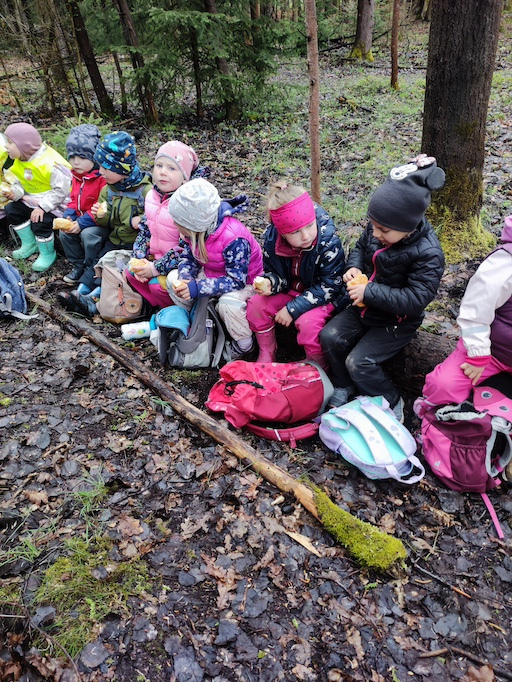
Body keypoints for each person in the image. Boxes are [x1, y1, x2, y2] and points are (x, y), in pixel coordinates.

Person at [320, 155, 446, 422]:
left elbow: (416, 299)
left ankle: (391, 400)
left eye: (383, 230)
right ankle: (343, 384)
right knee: (330, 336)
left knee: (359, 362)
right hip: (364, 307)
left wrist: (369, 292)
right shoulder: (380, 227)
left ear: (407, 226)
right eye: (373, 225)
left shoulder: (428, 253)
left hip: (397, 320)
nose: (375, 233)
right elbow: (360, 247)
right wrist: (353, 267)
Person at [415, 214, 512, 416]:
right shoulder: (505, 264)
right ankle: (431, 412)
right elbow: (475, 310)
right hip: (493, 351)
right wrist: (478, 353)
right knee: (444, 385)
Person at [246, 180, 346, 370]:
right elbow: (276, 273)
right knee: (257, 305)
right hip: (293, 292)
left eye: (309, 225)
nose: (306, 236)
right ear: (282, 233)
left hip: (324, 297)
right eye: (296, 232)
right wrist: (271, 282)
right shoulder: (272, 241)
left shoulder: (327, 241)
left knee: (307, 324)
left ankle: (317, 366)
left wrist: (293, 309)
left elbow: (330, 286)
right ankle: (268, 350)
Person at [166, 178, 263, 359]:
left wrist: (197, 288)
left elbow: (237, 281)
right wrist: (186, 277)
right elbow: (188, 257)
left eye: (177, 222)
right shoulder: (193, 233)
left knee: (229, 305)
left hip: (246, 283)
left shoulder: (234, 239)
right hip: (213, 273)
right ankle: (198, 320)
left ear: (192, 224)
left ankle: (245, 345)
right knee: (173, 279)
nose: (174, 225)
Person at [58, 131, 152, 316]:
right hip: (114, 239)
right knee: (98, 265)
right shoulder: (108, 190)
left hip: (134, 245)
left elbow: (156, 218)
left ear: (121, 168)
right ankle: (79, 292)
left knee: (113, 271)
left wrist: (140, 220)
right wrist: (100, 215)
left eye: (105, 168)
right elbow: (107, 221)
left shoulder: (145, 191)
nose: (100, 172)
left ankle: (93, 299)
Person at [126, 140, 209, 310]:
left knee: (157, 286)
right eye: (159, 166)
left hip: (179, 265)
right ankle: (154, 308)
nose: (163, 172)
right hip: (155, 258)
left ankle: (174, 312)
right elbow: (145, 230)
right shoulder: (151, 196)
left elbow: (185, 248)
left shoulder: (187, 204)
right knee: (131, 272)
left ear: (185, 177)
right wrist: (139, 256)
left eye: (172, 168)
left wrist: (155, 268)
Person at [3, 122, 71, 272]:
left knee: (40, 220)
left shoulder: (50, 164)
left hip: (56, 203)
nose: (6, 146)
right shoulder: (20, 160)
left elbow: (61, 190)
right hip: (33, 199)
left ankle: (47, 253)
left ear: (23, 145)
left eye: (10, 143)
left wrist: (42, 207)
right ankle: (30, 243)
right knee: (12, 209)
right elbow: (20, 182)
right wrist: (15, 192)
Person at [57, 124, 107, 284]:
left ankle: (91, 267)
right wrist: (69, 216)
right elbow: (73, 199)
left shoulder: (102, 178)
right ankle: (78, 265)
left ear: (94, 158)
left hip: (99, 221)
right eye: (72, 157)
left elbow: (103, 206)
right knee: (65, 233)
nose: (76, 162)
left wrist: (81, 223)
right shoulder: (77, 176)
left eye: (82, 158)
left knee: (89, 235)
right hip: (81, 218)